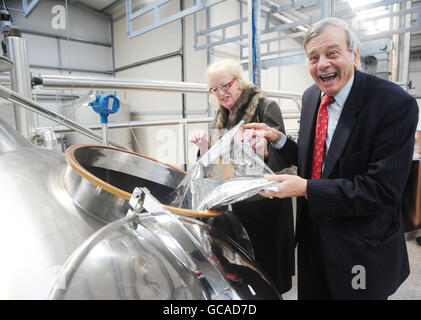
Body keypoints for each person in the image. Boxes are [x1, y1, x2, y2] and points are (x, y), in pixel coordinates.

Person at [244, 17, 418, 300]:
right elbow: (314, 160)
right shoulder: (313, 95)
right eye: (313, 57)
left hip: (360, 249)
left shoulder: (393, 104)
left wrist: (305, 188)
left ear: (355, 55)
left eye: (332, 53)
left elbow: (381, 190)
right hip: (313, 242)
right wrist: (278, 139)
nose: (322, 63)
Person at [190, 59, 295, 295]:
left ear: (239, 81)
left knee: (270, 274)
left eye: (226, 85)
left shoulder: (265, 107)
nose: (221, 93)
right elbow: (216, 168)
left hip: (266, 205)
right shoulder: (220, 118)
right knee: (245, 276)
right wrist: (205, 147)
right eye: (215, 89)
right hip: (236, 206)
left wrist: (265, 150)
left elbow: (285, 159)